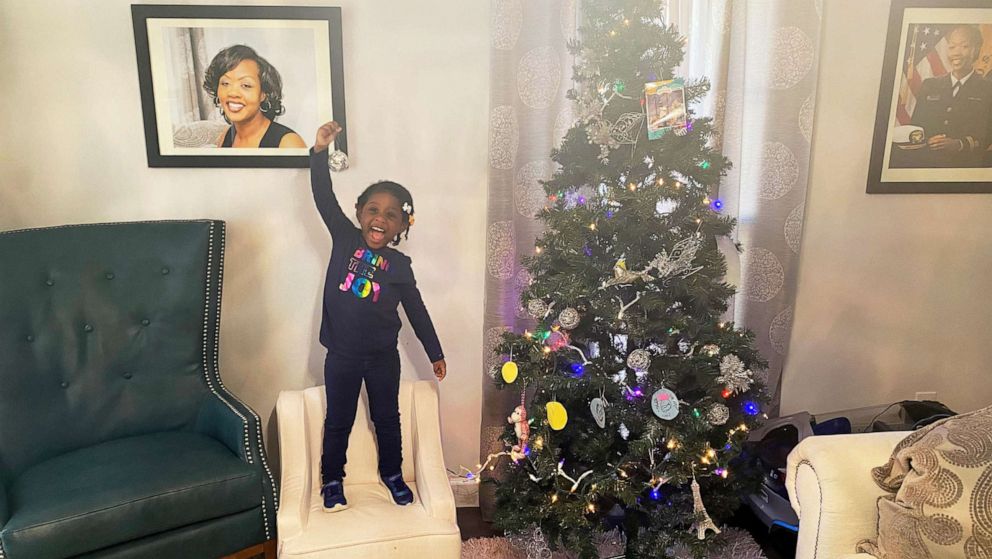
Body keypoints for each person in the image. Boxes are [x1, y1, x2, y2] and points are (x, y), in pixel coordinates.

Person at [309, 121, 446, 512]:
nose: (380, 219)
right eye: (373, 210)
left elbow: (417, 312)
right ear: (358, 212)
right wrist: (319, 152)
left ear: (402, 225)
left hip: (384, 357)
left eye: (390, 215)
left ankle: (392, 474)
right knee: (339, 420)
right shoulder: (344, 237)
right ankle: (332, 479)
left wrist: (435, 352)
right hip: (342, 355)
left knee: (387, 419)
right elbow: (323, 196)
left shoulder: (400, 265)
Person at [909, 25, 992, 167]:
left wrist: (959, 144)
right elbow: (916, 125)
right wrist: (928, 140)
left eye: (964, 46)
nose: (956, 53)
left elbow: (988, 133)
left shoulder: (987, 88)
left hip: (967, 165)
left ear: (976, 51)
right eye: (952, 47)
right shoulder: (930, 85)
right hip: (927, 162)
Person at [202, 45, 306, 149]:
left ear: (263, 94)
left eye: (246, 85)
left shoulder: (288, 143)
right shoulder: (226, 137)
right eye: (225, 83)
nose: (233, 93)